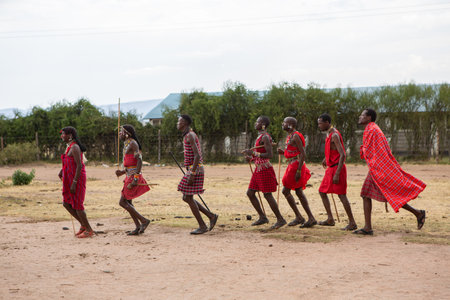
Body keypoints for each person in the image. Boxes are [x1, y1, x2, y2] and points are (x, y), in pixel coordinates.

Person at [354, 108, 426, 235]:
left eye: (362, 115)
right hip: (379, 167)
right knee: (382, 195)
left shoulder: (371, 129)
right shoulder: (373, 129)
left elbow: (372, 151)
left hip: (379, 168)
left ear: (369, 117)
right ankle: (418, 213)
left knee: (370, 194)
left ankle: (368, 228)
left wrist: (364, 152)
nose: (360, 117)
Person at [176, 114, 218, 235]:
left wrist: (192, 173)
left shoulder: (190, 135)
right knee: (186, 197)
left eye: (179, 121)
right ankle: (211, 216)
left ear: (185, 123)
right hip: (193, 169)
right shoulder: (188, 135)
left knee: (187, 197)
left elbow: (197, 156)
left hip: (196, 170)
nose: (177, 124)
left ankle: (203, 225)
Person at [242, 116, 287, 229]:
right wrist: (251, 159)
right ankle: (262, 217)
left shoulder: (266, 137)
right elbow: (259, 155)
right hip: (258, 168)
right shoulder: (260, 137)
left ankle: (280, 219)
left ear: (263, 124)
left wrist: (253, 154)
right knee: (250, 193)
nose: (255, 123)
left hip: (264, 169)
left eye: (257, 122)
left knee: (267, 194)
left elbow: (269, 155)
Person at [317, 113, 357, 230]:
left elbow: (343, 154)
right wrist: (326, 158)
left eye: (320, 123)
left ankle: (352, 222)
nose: (319, 125)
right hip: (331, 168)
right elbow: (333, 150)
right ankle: (330, 219)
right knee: (322, 192)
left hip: (337, 168)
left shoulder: (334, 135)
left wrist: (337, 173)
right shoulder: (329, 134)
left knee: (341, 195)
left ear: (327, 123)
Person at [277, 117, 317, 228]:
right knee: (298, 192)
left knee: (287, 191)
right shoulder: (290, 136)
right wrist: (283, 152)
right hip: (292, 164)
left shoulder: (295, 136)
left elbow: (303, 154)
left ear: (290, 124)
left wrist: (299, 170)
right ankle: (306, 217)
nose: (283, 124)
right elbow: (292, 151)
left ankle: (303, 217)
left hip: (296, 166)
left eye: (284, 123)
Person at [115, 125, 151, 235]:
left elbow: (139, 160)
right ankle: (138, 226)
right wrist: (122, 172)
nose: (120, 134)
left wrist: (135, 179)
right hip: (128, 175)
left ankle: (144, 220)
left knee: (123, 202)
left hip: (133, 177)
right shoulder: (127, 144)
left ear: (128, 134)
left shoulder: (133, 143)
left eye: (121, 132)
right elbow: (130, 162)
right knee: (128, 202)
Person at [59, 126, 94, 238]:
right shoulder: (69, 147)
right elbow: (67, 162)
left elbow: (79, 165)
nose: (62, 136)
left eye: (63, 134)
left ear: (70, 136)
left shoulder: (75, 147)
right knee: (66, 203)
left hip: (77, 178)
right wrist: (61, 172)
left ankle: (89, 229)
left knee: (78, 204)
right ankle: (83, 225)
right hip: (69, 178)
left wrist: (74, 182)